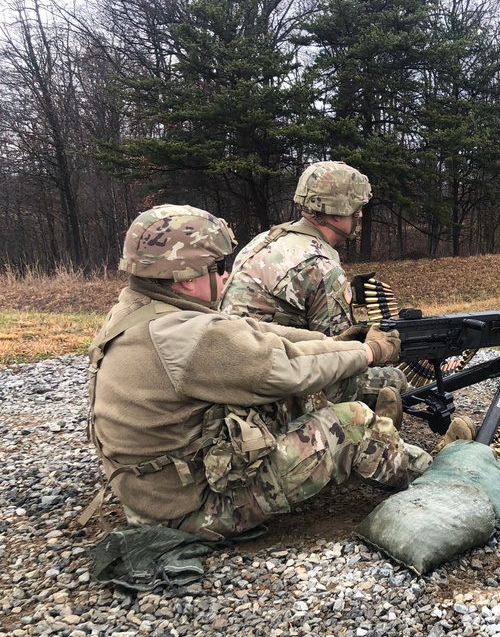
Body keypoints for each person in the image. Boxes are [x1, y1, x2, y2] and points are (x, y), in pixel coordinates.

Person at [87, 204, 465, 542]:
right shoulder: (185, 336)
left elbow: (262, 336)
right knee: (351, 423)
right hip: (192, 511)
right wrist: (367, 352)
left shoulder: (140, 309)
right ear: (186, 278)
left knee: (307, 396)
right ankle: (436, 472)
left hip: (158, 491)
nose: (226, 276)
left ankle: (382, 447)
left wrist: (338, 341)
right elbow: (289, 369)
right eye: (219, 268)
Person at [219, 161, 405, 410]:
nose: (360, 215)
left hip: (231, 366)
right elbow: (337, 355)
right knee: (395, 380)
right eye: (357, 208)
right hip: (269, 383)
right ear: (338, 211)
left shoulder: (266, 239)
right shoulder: (321, 266)